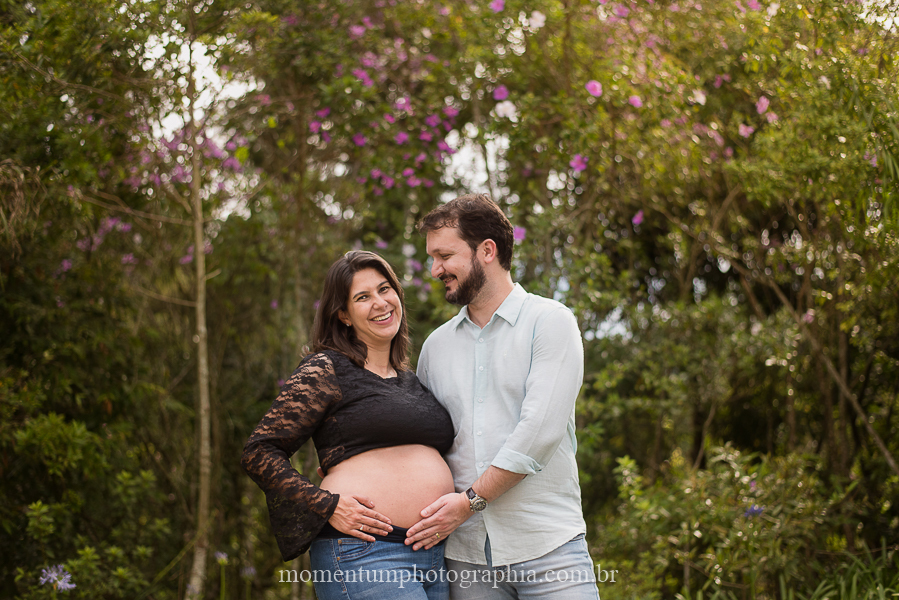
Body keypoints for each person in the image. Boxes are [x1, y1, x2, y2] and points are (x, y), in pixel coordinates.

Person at [405, 194, 600, 599]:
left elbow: (538, 434)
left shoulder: (550, 322)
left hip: (549, 547)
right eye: (432, 258)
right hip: (465, 559)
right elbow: (420, 441)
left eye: (444, 255)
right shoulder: (435, 348)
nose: (435, 269)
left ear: (487, 251)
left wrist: (470, 502)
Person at [241, 250, 455, 600]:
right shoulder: (326, 368)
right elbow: (259, 451)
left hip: (431, 555)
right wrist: (325, 504)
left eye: (385, 289)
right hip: (366, 554)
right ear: (343, 315)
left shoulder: (410, 380)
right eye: (362, 297)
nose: (380, 303)